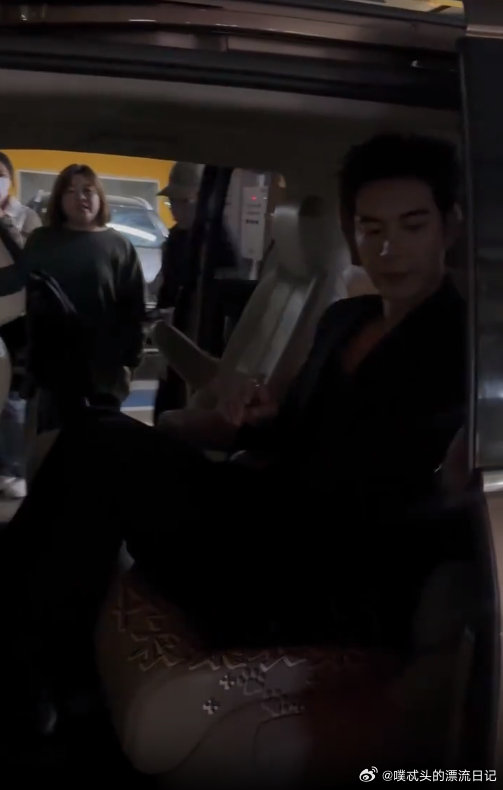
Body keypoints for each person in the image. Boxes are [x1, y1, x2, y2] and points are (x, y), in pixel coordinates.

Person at [0, 134, 468, 742]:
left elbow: (409, 486)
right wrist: (259, 413)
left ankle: (27, 669)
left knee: (106, 450)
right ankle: (39, 661)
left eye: (412, 226)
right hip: (266, 516)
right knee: (95, 429)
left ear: (450, 226)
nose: (387, 249)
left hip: (327, 564)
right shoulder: (344, 318)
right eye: (370, 227)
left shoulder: (464, 346)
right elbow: (295, 432)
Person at [20, 164, 146, 419]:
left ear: (99, 196)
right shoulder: (41, 241)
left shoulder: (119, 246)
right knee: (50, 439)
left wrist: (129, 364)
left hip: (102, 372)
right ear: (59, 199)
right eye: (71, 191)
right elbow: (24, 299)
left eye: (88, 190)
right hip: (49, 369)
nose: (81, 197)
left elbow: (133, 311)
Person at [153, 162, 239, 421]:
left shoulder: (217, 244)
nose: (175, 209)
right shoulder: (176, 239)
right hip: (176, 341)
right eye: (172, 202)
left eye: (182, 201)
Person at [0, 152, 41, 498]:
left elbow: (33, 266)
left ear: (10, 180)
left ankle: (14, 468)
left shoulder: (26, 217)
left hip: (16, 320)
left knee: (14, 399)